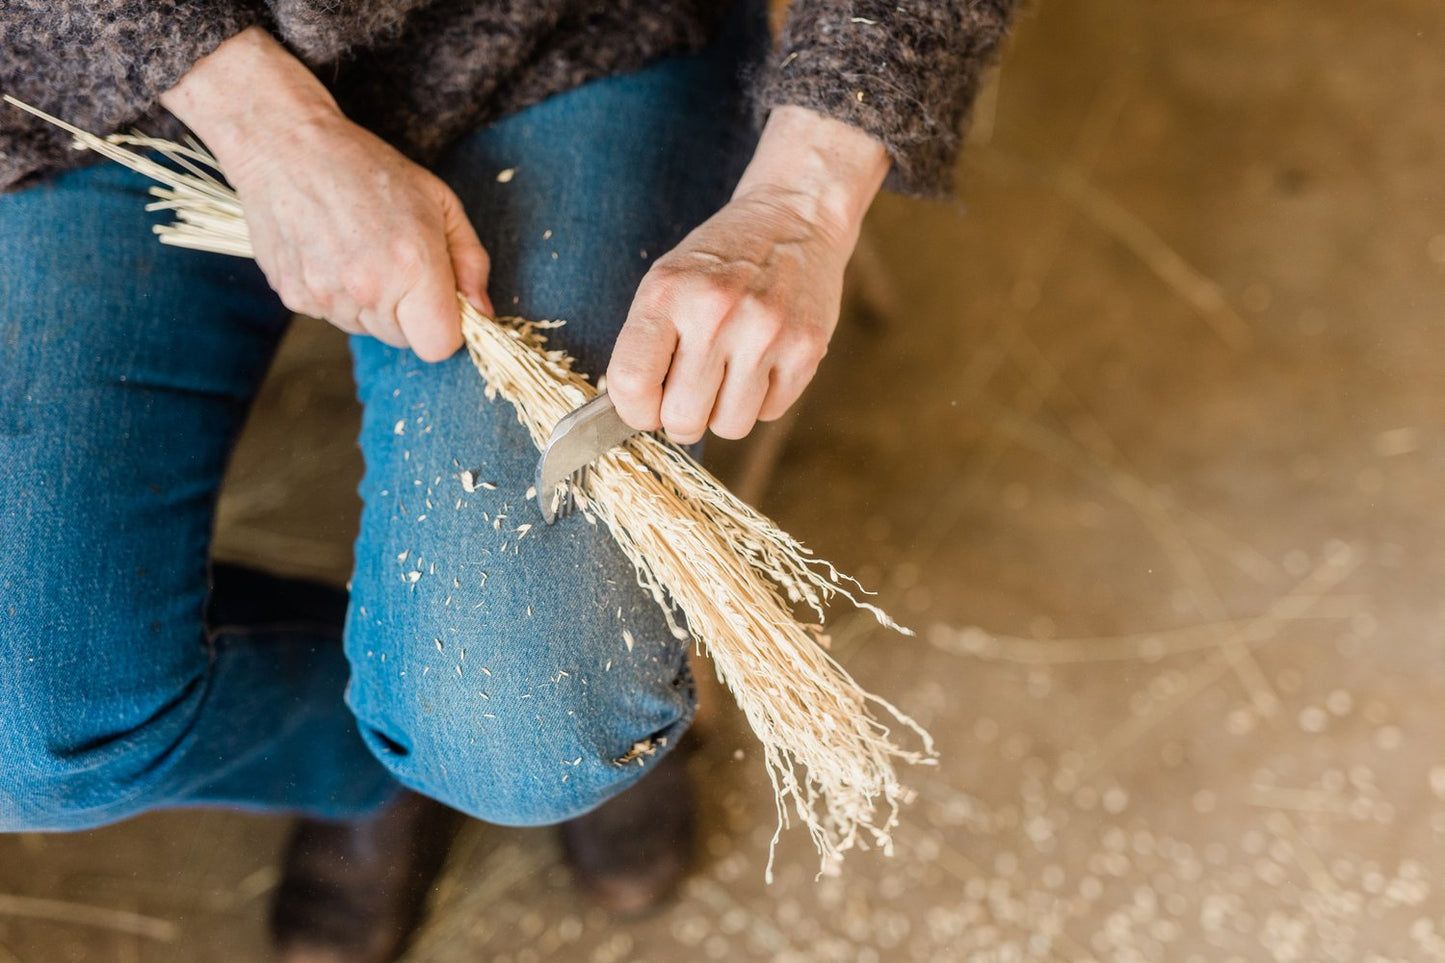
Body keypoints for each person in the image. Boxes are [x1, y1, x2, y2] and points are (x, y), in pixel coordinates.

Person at [0, 1, 1018, 960]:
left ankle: (516, 723)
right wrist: (260, 118)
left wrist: (805, 194)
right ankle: (379, 761)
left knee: (535, 734)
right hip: (134, 65)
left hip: (562, 38)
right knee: (28, 736)